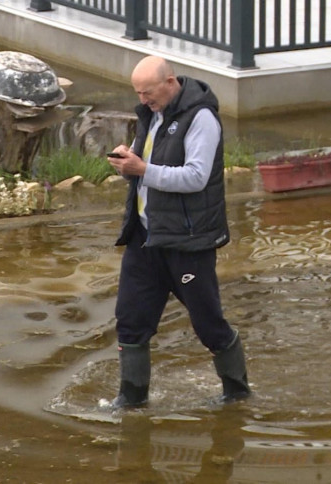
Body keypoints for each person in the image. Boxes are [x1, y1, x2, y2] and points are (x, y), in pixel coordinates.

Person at [105, 56, 250, 409]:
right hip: (145, 238)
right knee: (130, 321)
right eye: (138, 93)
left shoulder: (202, 118)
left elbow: (195, 177)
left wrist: (143, 169)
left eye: (148, 92)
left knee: (208, 325)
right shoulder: (151, 114)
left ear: (170, 82)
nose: (143, 100)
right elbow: (147, 166)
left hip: (188, 242)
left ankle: (237, 395)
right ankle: (131, 400)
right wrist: (128, 163)